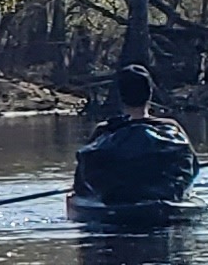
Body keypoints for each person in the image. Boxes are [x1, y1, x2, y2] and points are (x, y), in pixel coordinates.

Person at [73, 64, 198, 206]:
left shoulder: (104, 131)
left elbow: (81, 184)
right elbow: (193, 168)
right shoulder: (171, 127)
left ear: (121, 96)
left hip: (117, 205)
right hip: (164, 201)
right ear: (150, 93)